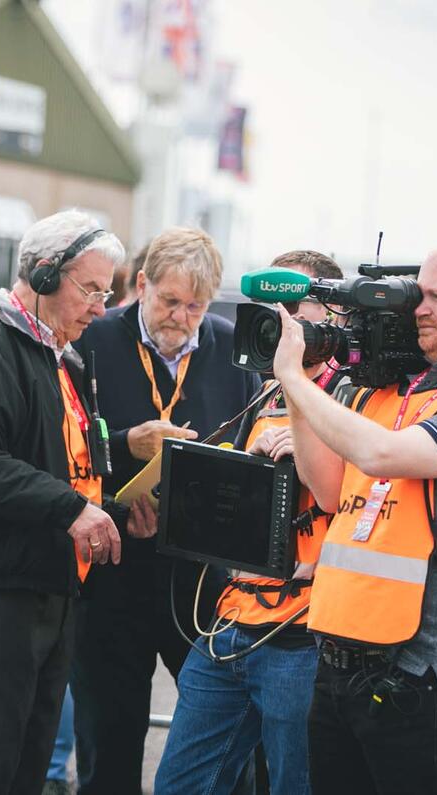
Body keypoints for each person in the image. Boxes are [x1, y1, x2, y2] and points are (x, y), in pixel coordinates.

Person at [275, 239, 437, 794]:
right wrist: (295, 386)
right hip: (340, 661)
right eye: (417, 292)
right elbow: (327, 490)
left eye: (436, 296)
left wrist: (297, 380)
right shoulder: (387, 398)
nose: (418, 307)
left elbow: (380, 455)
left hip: (417, 678)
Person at [0, 209, 153, 795]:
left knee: (28, 766)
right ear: (45, 273)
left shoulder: (58, 355)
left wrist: (118, 512)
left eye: (108, 292)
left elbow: (62, 467)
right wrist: (70, 509)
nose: (101, 308)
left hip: (51, 583)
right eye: (91, 289)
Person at [70, 227, 262, 795]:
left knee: (222, 738)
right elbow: (67, 448)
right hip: (112, 572)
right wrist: (126, 458)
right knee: (109, 739)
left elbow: (248, 448)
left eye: (196, 307)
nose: (181, 317)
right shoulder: (94, 341)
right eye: (169, 301)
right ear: (142, 284)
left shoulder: (232, 349)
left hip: (200, 578)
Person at [155, 251, 347, 795]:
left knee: (295, 784)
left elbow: (335, 492)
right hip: (232, 622)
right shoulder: (267, 387)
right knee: (180, 783)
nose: (280, 321)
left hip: (303, 636)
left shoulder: (358, 392)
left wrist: (301, 432)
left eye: (295, 307)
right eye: (273, 308)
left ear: (331, 315)